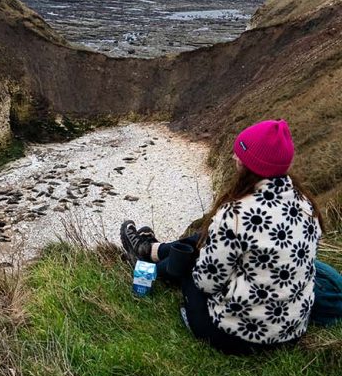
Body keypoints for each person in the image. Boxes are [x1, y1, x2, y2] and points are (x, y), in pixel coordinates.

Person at [120, 119, 323, 355]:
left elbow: (206, 282)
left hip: (238, 338)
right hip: (291, 332)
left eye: (240, 155)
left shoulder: (236, 214)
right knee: (201, 240)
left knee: (188, 264)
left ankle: (148, 263)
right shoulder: (307, 206)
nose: (234, 157)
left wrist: (197, 261)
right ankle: (151, 251)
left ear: (250, 165)